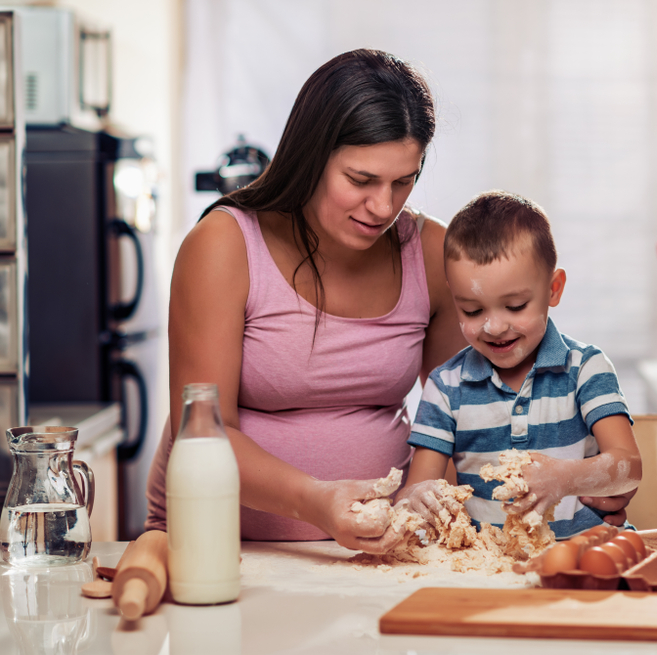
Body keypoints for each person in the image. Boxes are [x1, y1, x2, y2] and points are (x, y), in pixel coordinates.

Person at [146, 50, 632, 552]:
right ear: (311, 156)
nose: (383, 207)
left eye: (405, 181)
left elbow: (472, 411)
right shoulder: (222, 245)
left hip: (385, 555)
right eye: (361, 180)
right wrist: (317, 501)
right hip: (226, 549)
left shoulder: (429, 251)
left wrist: (584, 477)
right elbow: (200, 434)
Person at [398, 191, 642, 539]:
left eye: (515, 306)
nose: (494, 327)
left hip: (589, 553)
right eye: (472, 310)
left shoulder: (585, 369)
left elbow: (629, 467)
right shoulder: (445, 388)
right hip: (492, 565)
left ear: (553, 289)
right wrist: (415, 498)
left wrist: (562, 478)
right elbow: (418, 490)